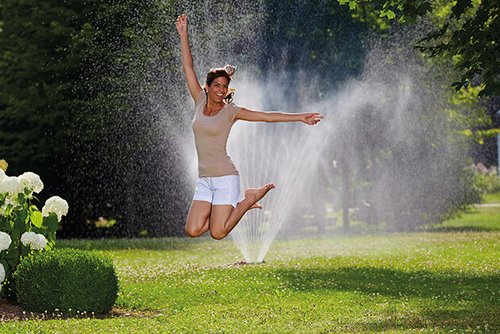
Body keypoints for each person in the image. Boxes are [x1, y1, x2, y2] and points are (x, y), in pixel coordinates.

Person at [176, 14, 323, 240]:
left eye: (224, 86)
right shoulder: (198, 100)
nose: (221, 90)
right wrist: (183, 34)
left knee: (218, 232)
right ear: (207, 87)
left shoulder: (231, 111)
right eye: (216, 85)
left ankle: (248, 199)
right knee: (192, 230)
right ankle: (238, 206)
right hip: (204, 179)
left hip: (226, 177)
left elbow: (267, 116)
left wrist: (300, 117)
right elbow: (188, 66)